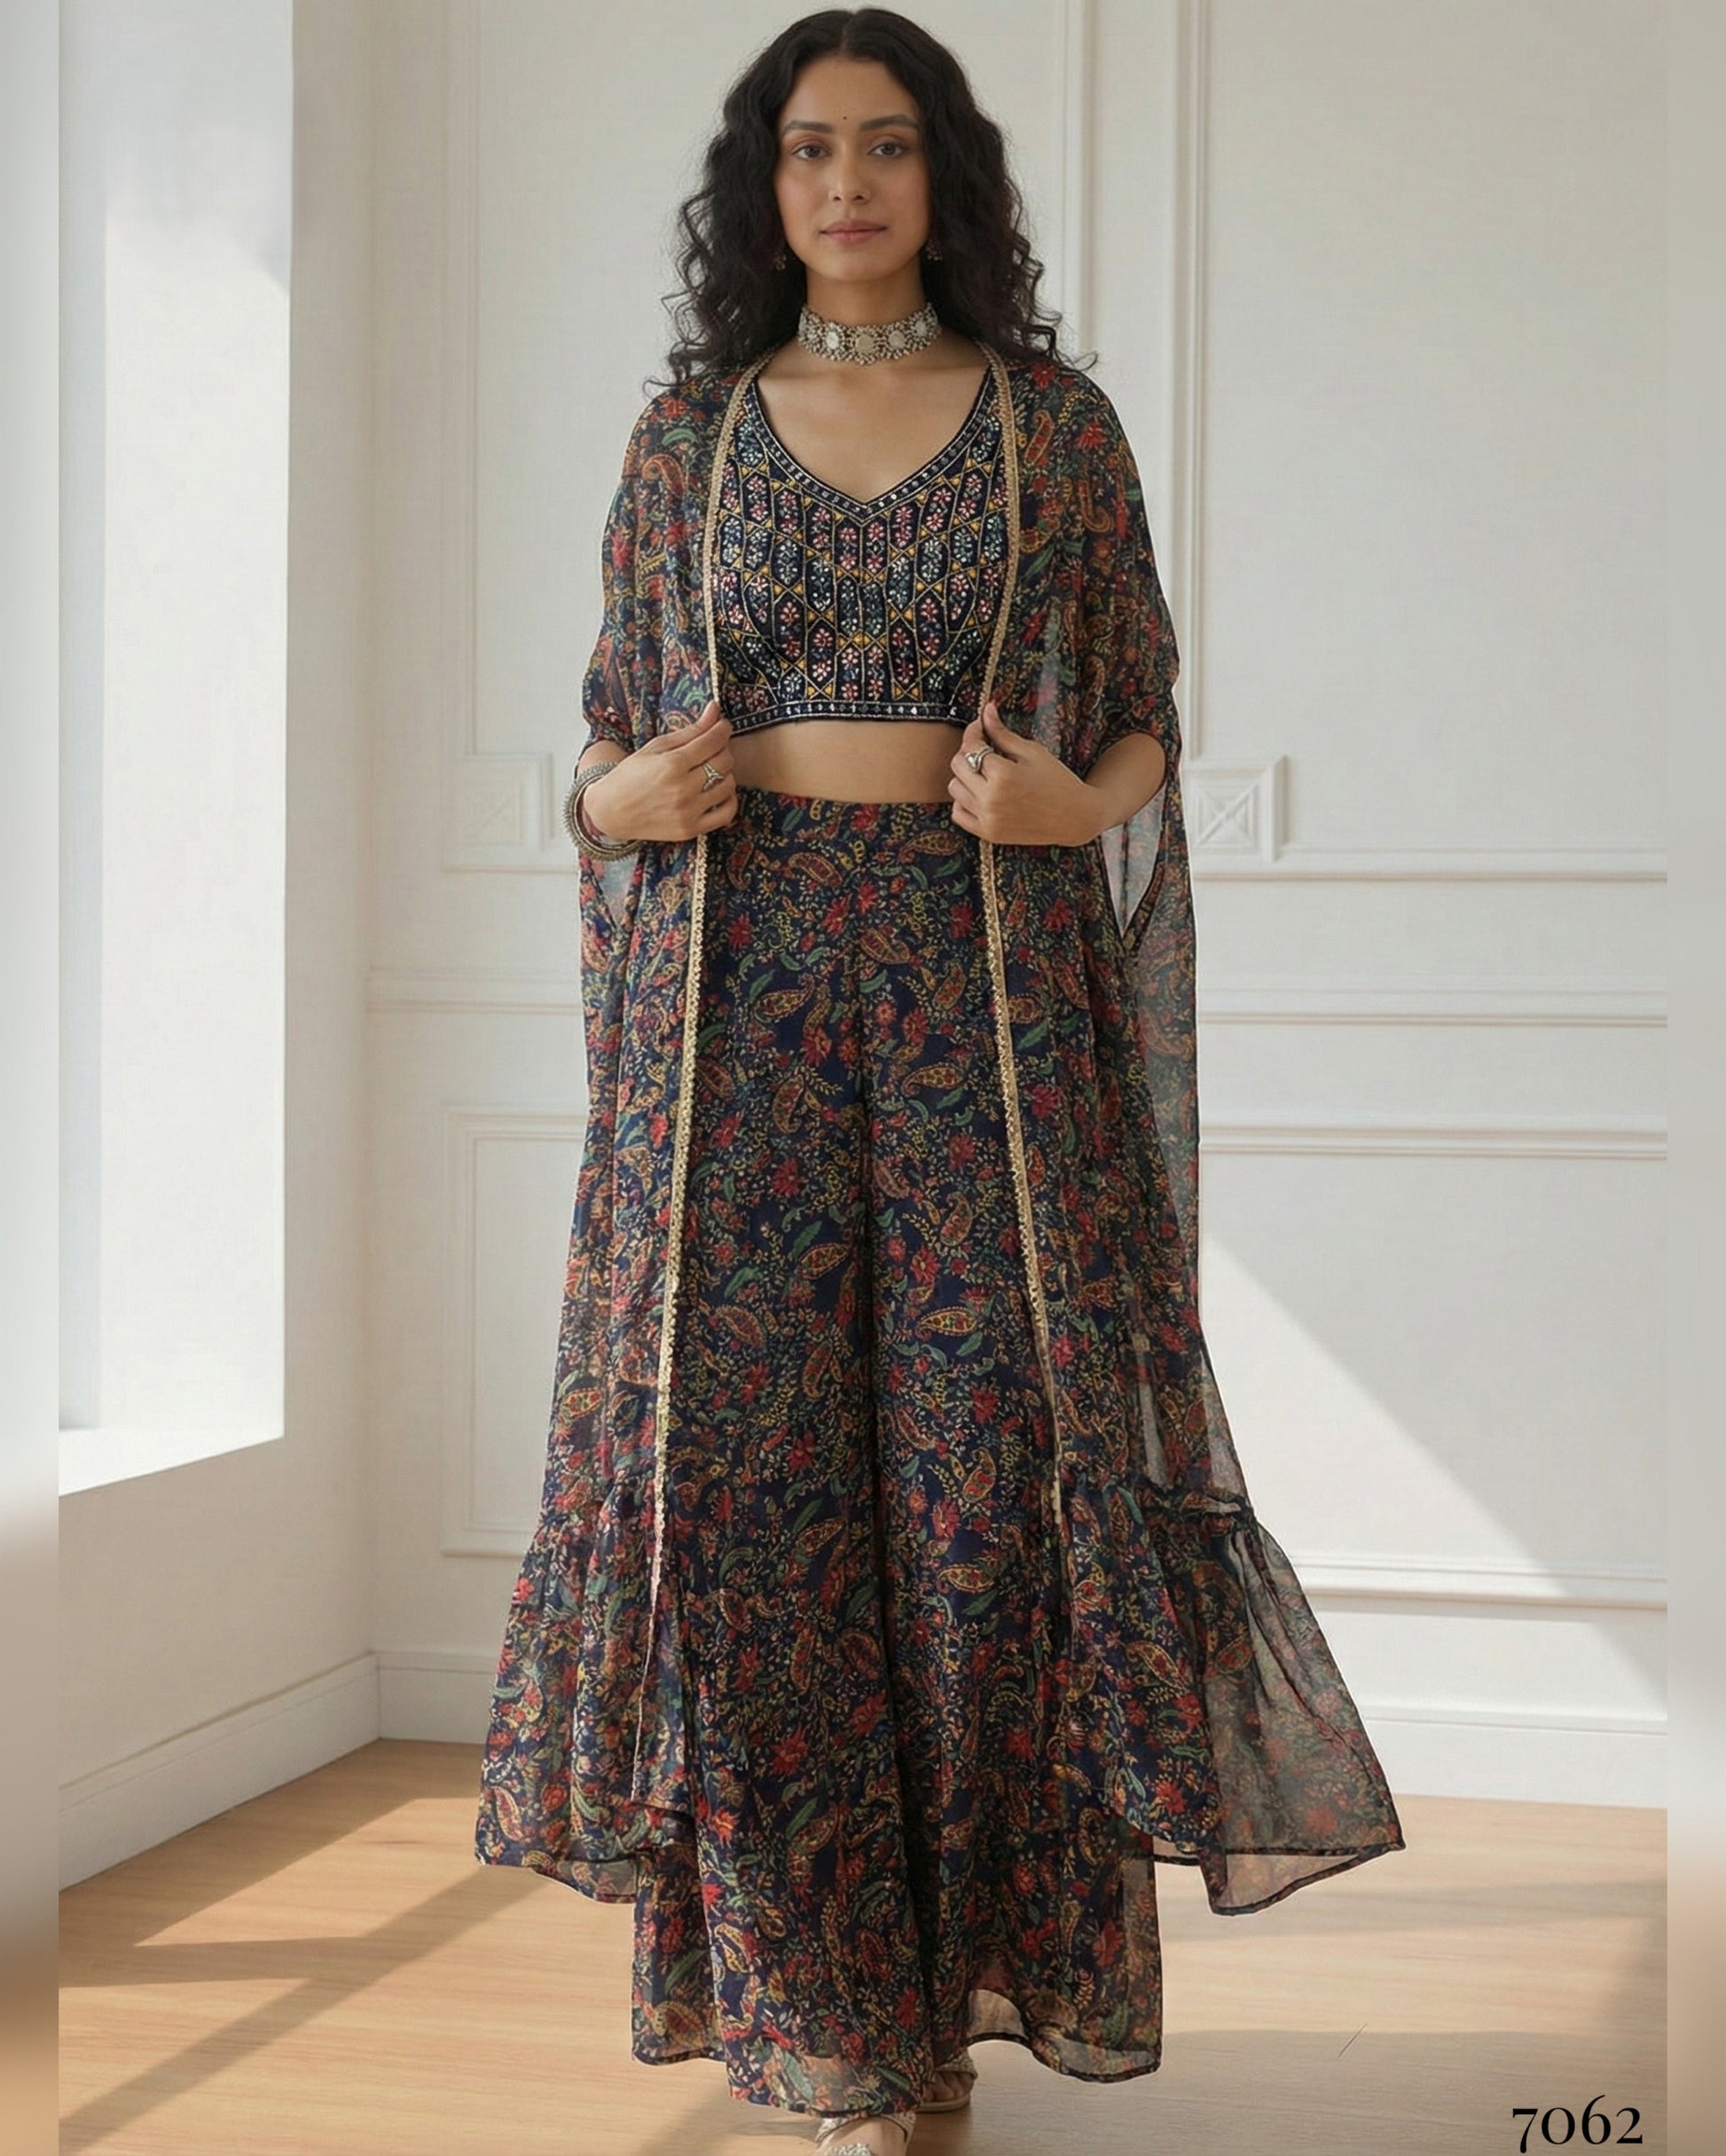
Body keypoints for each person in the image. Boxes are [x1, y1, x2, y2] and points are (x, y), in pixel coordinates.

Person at [474, 11, 1406, 2152]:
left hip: (985, 1027)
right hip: (740, 1037)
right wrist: (615, 791)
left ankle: (959, 1991)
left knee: (991, 1508)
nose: (848, 187)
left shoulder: (1052, 430)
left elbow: (1148, 713)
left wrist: (1078, 808)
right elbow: (604, 747)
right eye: (808, 151)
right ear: (762, 184)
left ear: (945, 179)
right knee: (758, 1513)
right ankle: (831, 2036)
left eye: (887, 148)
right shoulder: (686, 437)